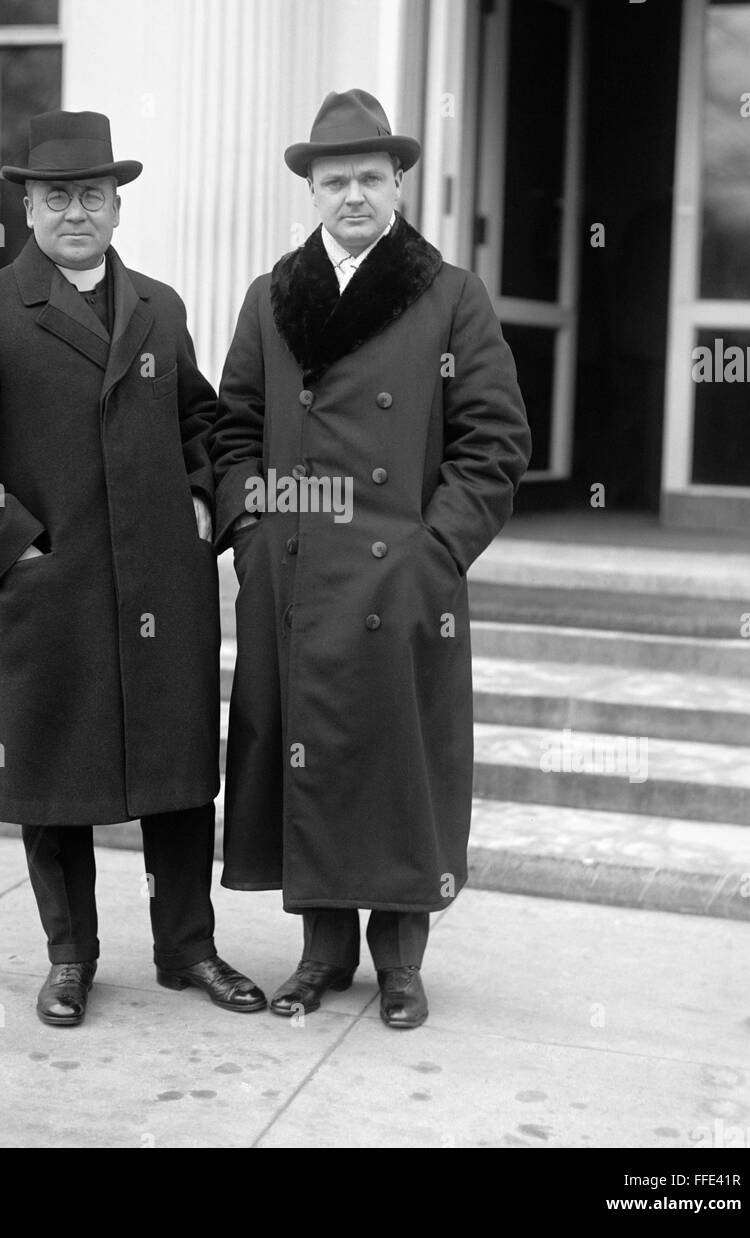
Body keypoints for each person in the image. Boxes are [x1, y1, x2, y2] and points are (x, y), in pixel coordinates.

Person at [0, 109, 265, 1026]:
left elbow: (203, 421)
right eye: (56, 196)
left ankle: (189, 950)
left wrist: (198, 495)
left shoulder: (159, 308)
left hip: (162, 591)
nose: (75, 212)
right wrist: (15, 543)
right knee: (55, 779)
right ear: (27, 208)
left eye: (92, 195)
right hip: (50, 589)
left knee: (179, 777)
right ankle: (71, 957)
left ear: (115, 206)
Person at [210, 89, 530, 1029]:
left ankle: (399, 964)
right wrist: (254, 534)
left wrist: (435, 553)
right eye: (333, 179)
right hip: (299, 572)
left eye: (368, 178)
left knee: (398, 764)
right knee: (308, 758)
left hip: (402, 578)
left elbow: (494, 443)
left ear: (398, 184)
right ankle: (319, 957)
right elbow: (232, 430)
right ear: (310, 190)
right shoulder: (272, 296)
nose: (352, 195)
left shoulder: (449, 295)